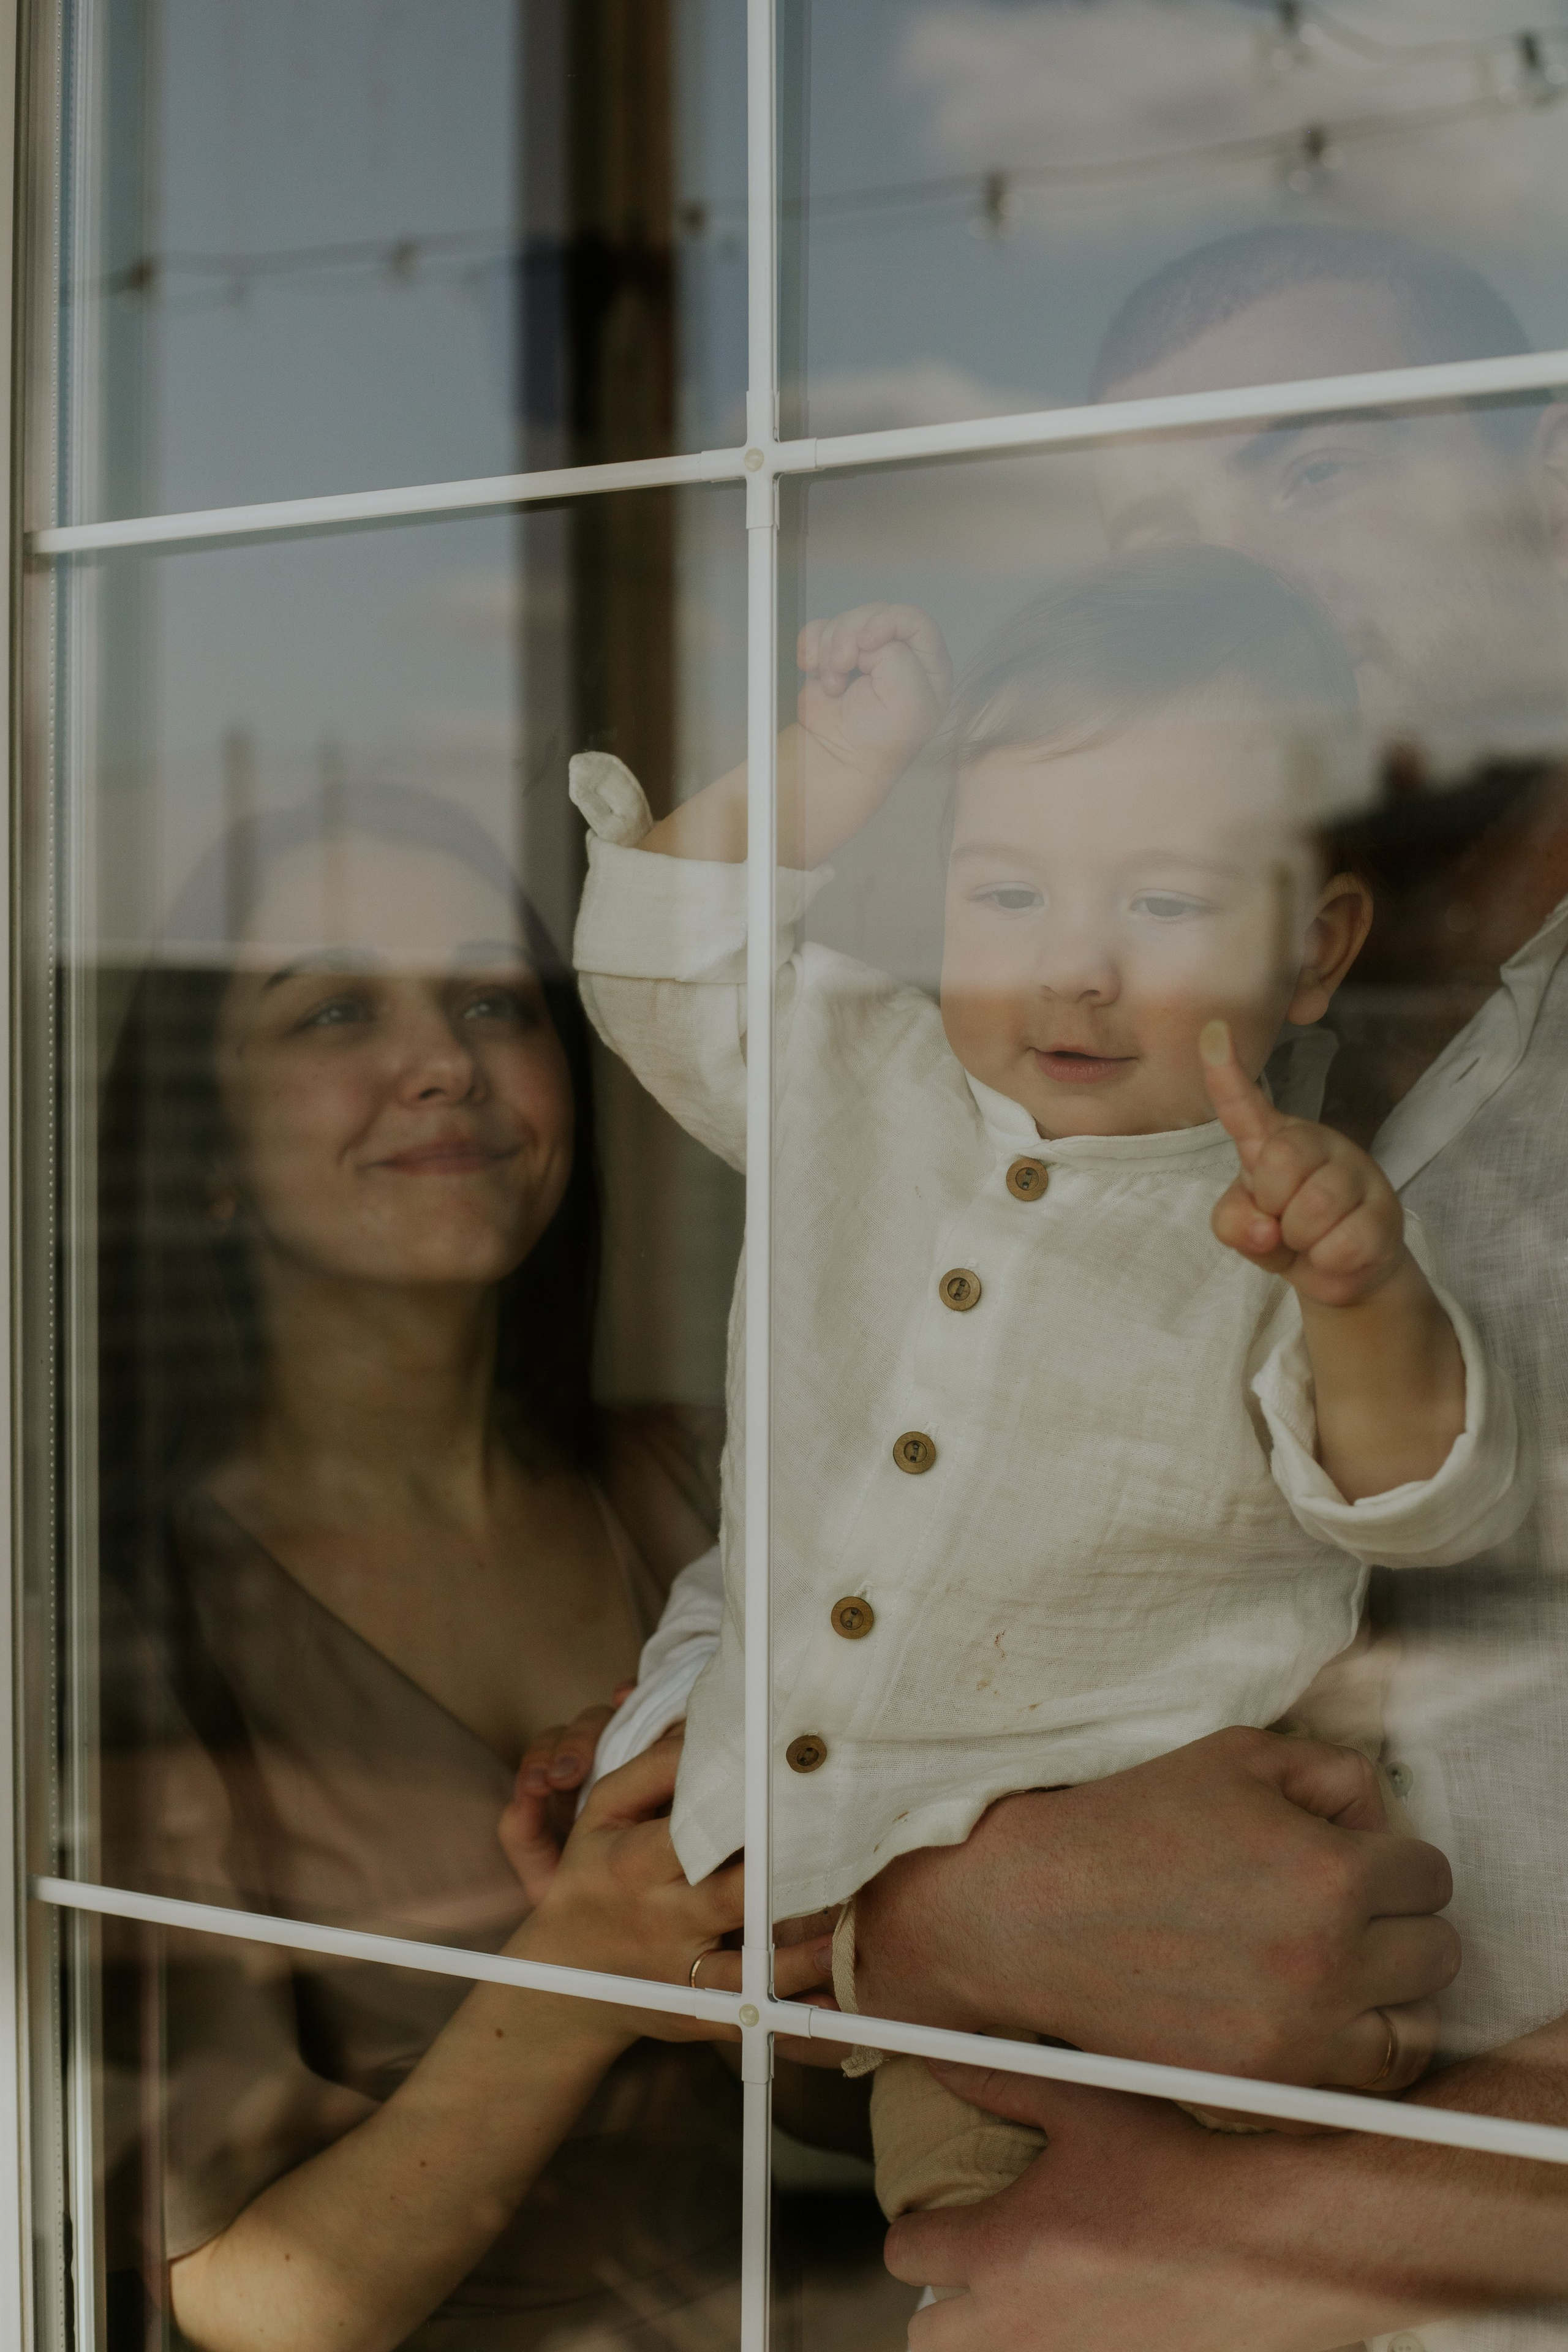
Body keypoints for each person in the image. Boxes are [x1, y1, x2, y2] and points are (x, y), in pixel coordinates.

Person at [567, 543, 1532, 2237]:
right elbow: (652, 967)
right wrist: (835, 766)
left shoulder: (1287, 1210)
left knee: (1025, 2267)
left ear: (1313, 955)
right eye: (1006, 895)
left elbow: (1413, 1493)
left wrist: (1360, 1295)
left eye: (1162, 908)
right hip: (772, 1848)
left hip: (1137, 1959)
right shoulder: (855, 1072)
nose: (1072, 966)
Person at [870, 227, 1568, 2348]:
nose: (1234, 589)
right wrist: (913, 1911)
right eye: (1156, 536)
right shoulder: (1136, 1084)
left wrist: (1236, 2249)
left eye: (1315, 473)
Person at [94, 784, 837, 2352]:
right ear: (204, 1149)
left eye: (493, 999)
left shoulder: (721, 1482)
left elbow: (871, 2093)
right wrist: (585, 1963)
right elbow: (251, 2302)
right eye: (336, 1008)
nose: (444, 1062)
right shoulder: (119, 1620)